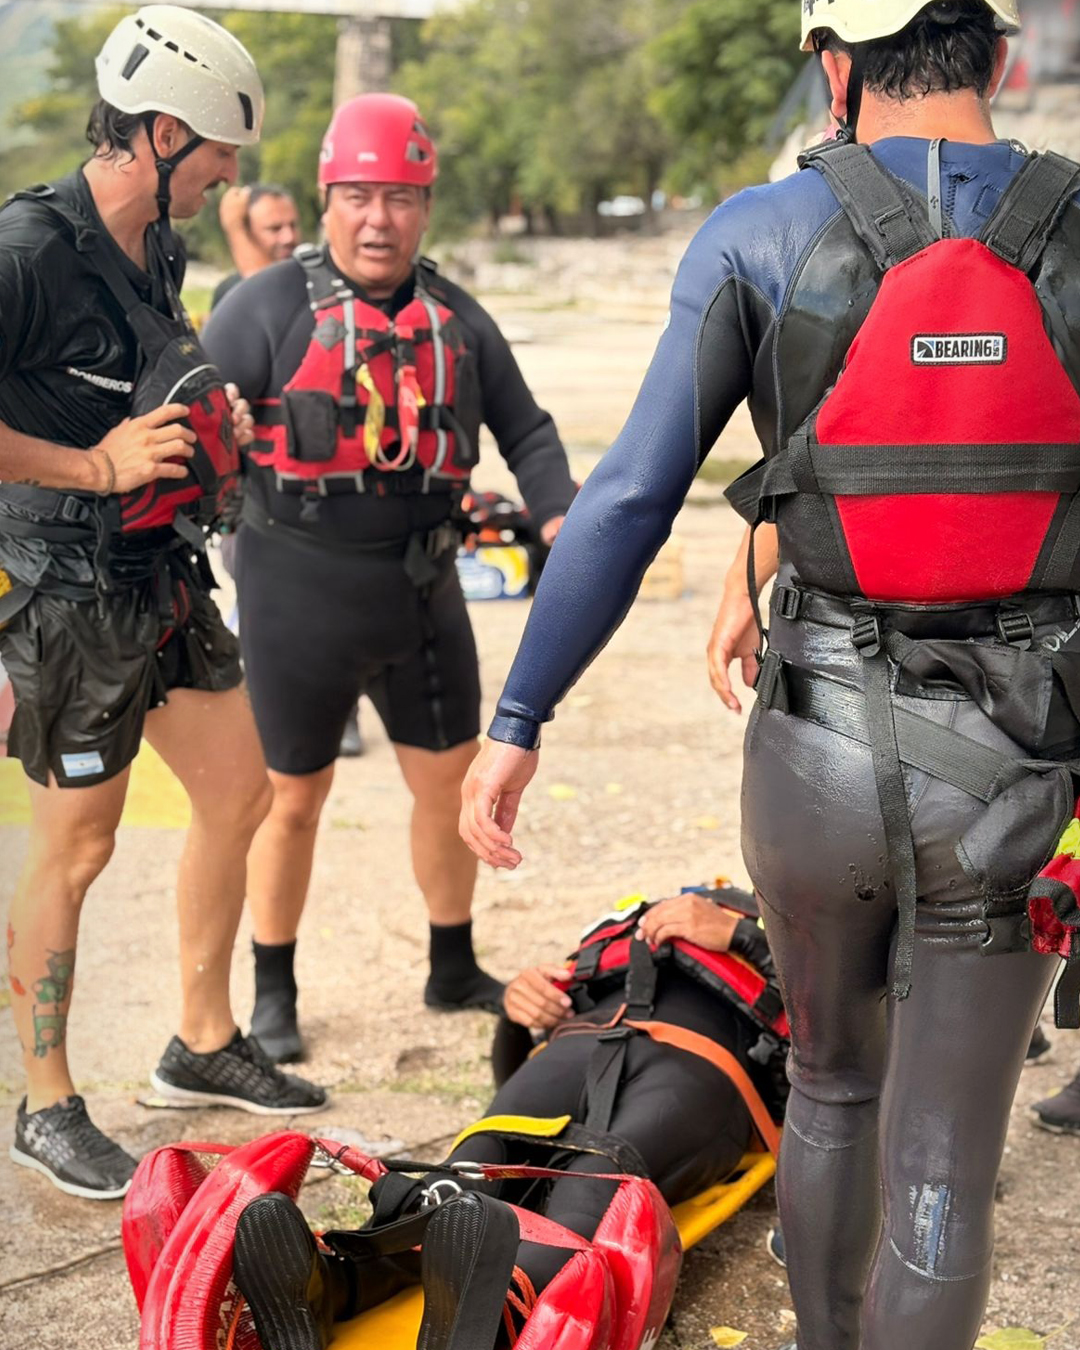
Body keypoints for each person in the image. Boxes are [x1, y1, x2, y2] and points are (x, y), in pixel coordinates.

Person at [458, 2, 1080, 1347]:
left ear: (835, 64)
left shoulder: (759, 231)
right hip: (1018, 776)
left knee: (831, 1088)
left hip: (818, 754)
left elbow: (625, 499)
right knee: (942, 1169)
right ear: (1003, 58)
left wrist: (519, 718)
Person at [0, 4, 327, 1202]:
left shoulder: (157, 246)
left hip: (159, 578)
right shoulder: (28, 250)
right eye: (218, 152)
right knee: (75, 850)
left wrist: (205, 429)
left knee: (246, 785)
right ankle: (44, 1105)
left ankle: (198, 1039)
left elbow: (144, 392)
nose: (233, 175)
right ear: (155, 133)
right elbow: (79, 442)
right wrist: (93, 467)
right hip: (65, 600)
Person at [201, 93, 576, 1064]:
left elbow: (527, 430)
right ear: (328, 199)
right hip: (294, 593)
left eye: (402, 198)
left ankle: (452, 963)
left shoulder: (458, 316)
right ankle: (273, 987)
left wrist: (563, 513)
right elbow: (193, 413)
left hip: (419, 591)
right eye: (360, 196)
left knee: (451, 784)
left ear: (426, 205)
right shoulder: (267, 305)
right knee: (291, 798)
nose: (380, 219)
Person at [220, 883, 788, 1350]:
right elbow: (514, 1054)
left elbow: (857, 1041)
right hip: (577, 1041)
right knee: (472, 1168)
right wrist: (521, 1007)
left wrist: (742, 934)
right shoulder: (624, 923)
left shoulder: (809, 926)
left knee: (594, 1173)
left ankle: (494, 1324)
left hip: (705, 1065)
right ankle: (330, 1286)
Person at [210, 183, 302, 310]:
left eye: (293, 225)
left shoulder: (314, 280)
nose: (289, 238)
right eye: (275, 229)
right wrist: (236, 228)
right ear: (247, 232)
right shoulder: (230, 292)